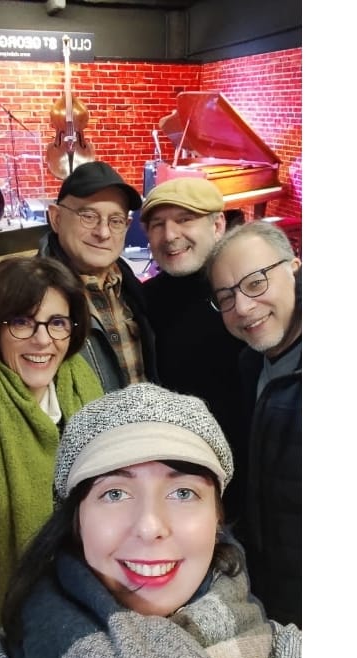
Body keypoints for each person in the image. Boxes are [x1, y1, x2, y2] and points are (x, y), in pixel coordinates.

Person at [0, 383, 302, 658]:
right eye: (115, 494)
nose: (150, 527)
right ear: (76, 522)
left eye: (183, 493)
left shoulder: (282, 657)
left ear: (217, 519)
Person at [0, 255, 104, 634]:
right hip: (16, 614)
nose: (43, 339)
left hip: (78, 598)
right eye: (22, 322)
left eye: (57, 323)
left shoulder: (80, 379)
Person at [206, 220, 301, 628]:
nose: (242, 307)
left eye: (256, 282)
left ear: (294, 268)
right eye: (226, 297)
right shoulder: (252, 363)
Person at [140, 178, 248, 526]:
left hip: (256, 480)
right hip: (181, 478)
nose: (170, 235)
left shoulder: (251, 290)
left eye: (185, 219)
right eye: (157, 224)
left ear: (217, 225)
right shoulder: (143, 300)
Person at [38, 160, 158, 391]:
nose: (103, 233)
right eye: (88, 216)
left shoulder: (131, 287)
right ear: (56, 218)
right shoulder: (30, 295)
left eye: (116, 221)